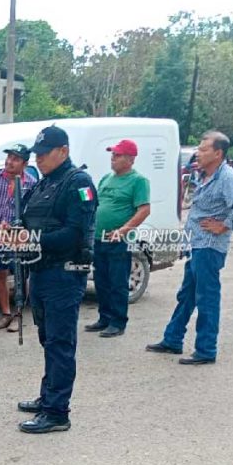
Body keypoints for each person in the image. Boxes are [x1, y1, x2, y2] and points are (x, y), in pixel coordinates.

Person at [14, 125, 97, 434]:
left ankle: (57, 412)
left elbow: (74, 234)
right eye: (36, 154)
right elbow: (29, 222)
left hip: (65, 272)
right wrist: (16, 233)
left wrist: (32, 239)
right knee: (47, 339)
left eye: (44, 153)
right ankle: (48, 395)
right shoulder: (44, 182)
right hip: (41, 271)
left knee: (60, 343)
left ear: (63, 151)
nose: (38, 159)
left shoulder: (78, 183)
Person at [147, 131, 233, 365]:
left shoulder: (226, 177)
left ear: (218, 153)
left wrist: (223, 225)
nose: (198, 153)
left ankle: (206, 349)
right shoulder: (205, 175)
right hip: (196, 244)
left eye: (204, 149)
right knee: (187, 295)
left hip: (209, 247)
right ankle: (172, 339)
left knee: (206, 298)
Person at [85, 139, 151, 338]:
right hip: (99, 237)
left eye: (118, 155)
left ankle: (118, 321)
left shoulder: (138, 181)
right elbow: (95, 203)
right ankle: (104, 317)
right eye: (112, 154)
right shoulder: (107, 178)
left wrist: (123, 230)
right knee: (101, 280)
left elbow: (144, 210)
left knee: (117, 282)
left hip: (119, 240)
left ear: (130, 159)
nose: (113, 158)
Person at [0, 144, 37, 332]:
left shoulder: (31, 183)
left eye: (15, 159)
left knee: (21, 276)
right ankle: (5, 314)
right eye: (9, 157)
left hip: (19, 239)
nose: (10, 162)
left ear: (25, 164)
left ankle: (19, 314)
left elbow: (33, 213)